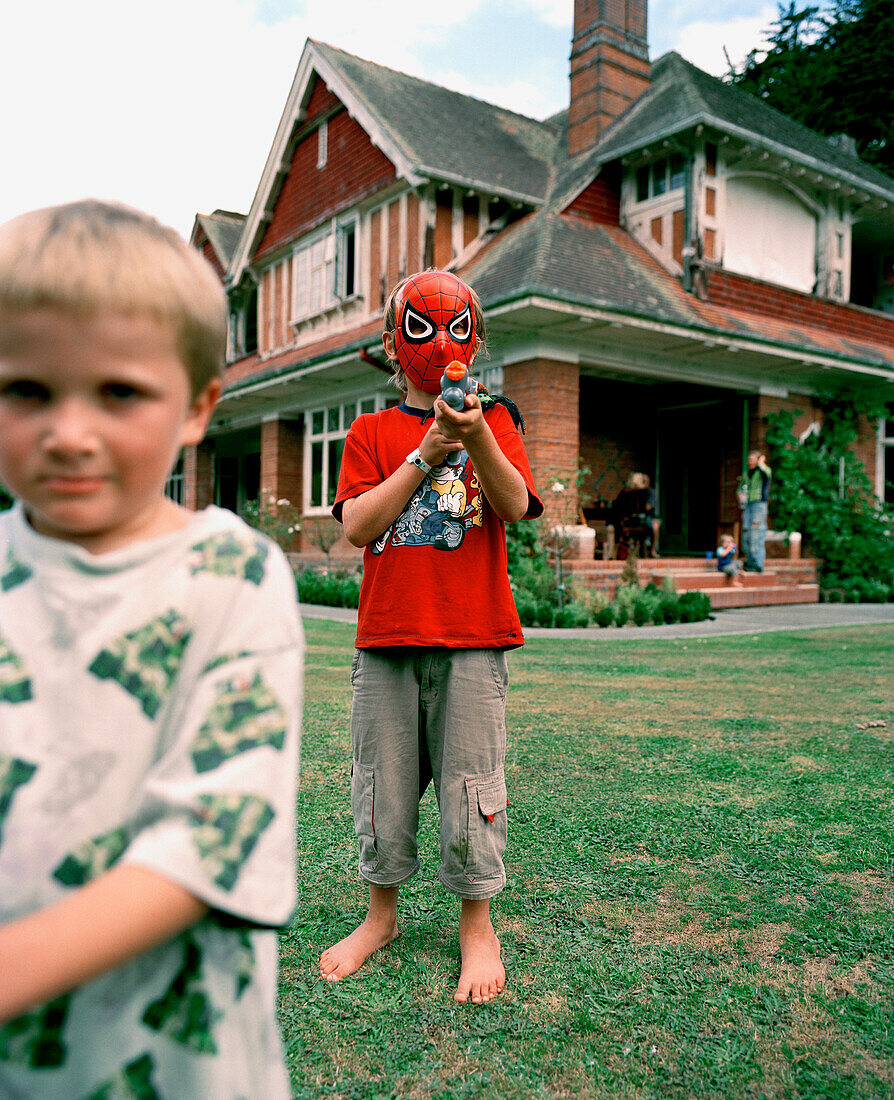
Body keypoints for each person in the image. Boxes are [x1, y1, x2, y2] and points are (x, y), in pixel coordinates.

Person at [0, 200, 303, 1098]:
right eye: (26, 391)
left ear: (197, 408)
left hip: (173, 1061)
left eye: (119, 393)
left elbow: (209, 842)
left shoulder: (233, 579)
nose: (69, 432)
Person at [319, 270, 543, 1005]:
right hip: (385, 642)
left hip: (474, 639)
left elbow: (513, 504)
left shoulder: (497, 421)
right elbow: (357, 525)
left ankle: (477, 926)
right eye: (419, 328)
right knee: (380, 784)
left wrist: (473, 437)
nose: (440, 342)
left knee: (471, 786)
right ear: (393, 344)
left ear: (474, 342)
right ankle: (380, 917)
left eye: (455, 327)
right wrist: (425, 455)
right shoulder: (372, 432)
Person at [738, 451, 771, 571]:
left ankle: (758, 563)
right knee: (747, 532)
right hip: (747, 505)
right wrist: (739, 495)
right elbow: (740, 488)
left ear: (758, 460)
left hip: (759, 505)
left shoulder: (763, 471)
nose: (750, 461)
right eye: (749, 459)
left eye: (753, 459)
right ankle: (750, 561)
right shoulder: (746, 474)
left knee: (756, 532)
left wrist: (761, 462)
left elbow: (767, 473)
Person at [613, 471, 659, 559]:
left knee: (655, 525)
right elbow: (618, 506)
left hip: (645, 518)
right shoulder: (626, 493)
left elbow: (648, 507)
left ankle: (652, 550)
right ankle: (621, 550)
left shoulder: (648, 492)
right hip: (630, 519)